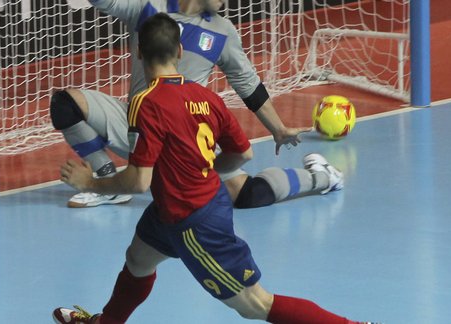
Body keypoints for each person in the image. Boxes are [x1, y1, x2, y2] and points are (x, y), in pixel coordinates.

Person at [52, 13, 371, 324]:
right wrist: (202, 171)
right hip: (176, 207)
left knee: (256, 304)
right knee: (138, 260)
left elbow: (138, 182)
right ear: (179, 51)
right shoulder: (206, 97)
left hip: (193, 222)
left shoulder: (146, 103)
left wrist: (90, 182)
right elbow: (243, 153)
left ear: (137, 52)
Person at [51, 0, 343, 208]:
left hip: (185, 137)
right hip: (136, 121)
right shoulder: (148, 7)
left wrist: (278, 129)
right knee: (65, 104)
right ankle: (107, 181)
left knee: (246, 196)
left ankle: (321, 176)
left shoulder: (222, 31)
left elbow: (248, 85)